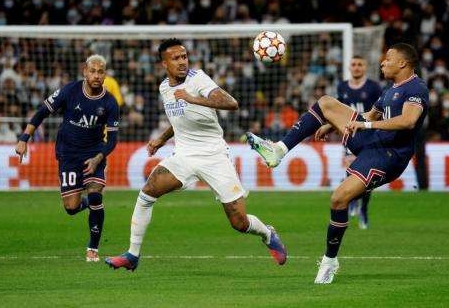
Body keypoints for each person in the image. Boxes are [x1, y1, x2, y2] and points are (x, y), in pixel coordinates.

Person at [246, 43, 428, 284]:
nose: (383, 63)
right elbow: (368, 116)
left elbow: (408, 121)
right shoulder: (389, 90)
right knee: (326, 103)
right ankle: (278, 151)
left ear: (403, 63)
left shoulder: (416, 88)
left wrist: (365, 126)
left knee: (338, 198)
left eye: (388, 59)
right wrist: (331, 123)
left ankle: (330, 261)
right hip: (372, 140)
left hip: (389, 155)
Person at [105, 38, 286, 271]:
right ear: (164, 64)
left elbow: (232, 103)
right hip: (184, 155)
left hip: (214, 155)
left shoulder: (198, 79)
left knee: (239, 222)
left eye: (184, 57)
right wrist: (162, 139)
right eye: (176, 58)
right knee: (148, 191)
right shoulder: (164, 88)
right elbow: (180, 118)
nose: (182, 62)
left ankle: (266, 233)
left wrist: (193, 98)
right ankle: (132, 254)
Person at [15, 55, 120, 262]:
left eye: (100, 72)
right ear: (85, 71)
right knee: (71, 208)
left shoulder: (110, 102)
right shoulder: (69, 91)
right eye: (93, 71)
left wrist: (98, 159)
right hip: (68, 153)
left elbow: (113, 141)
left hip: (94, 153)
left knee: (96, 195)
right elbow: (42, 112)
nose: (96, 75)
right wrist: (24, 138)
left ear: (105, 74)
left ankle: (93, 248)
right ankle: (87, 204)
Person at [336, 56, 382, 229]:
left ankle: (363, 208)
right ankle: (353, 200)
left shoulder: (374, 87)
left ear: (365, 67)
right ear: (349, 67)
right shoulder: (342, 87)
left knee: (368, 177)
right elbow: (340, 111)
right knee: (352, 171)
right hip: (350, 135)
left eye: (360, 65)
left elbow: (380, 111)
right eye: (354, 64)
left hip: (370, 136)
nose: (356, 68)